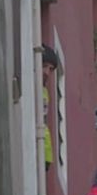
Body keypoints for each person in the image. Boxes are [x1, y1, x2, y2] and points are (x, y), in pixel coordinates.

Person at [41, 44, 59, 173]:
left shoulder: (44, 92)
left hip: (43, 152)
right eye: (44, 66)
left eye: (51, 69)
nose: (47, 72)